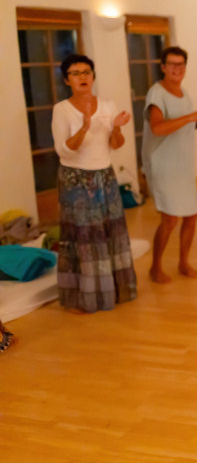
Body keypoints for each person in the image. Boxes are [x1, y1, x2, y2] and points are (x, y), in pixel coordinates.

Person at [51, 54, 137, 313]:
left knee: (109, 232)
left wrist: (117, 128)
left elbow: (116, 145)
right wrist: (84, 127)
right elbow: (64, 151)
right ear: (67, 80)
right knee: (83, 236)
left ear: (93, 76)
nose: (82, 77)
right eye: (75, 73)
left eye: (86, 72)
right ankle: (83, 297)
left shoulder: (108, 105)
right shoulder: (62, 109)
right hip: (75, 179)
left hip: (105, 176)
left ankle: (113, 291)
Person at [142, 46, 197, 283]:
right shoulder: (156, 93)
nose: (176, 68)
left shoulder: (184, 93)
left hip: (182, 165)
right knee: (169, 219)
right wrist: (192, 117)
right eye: (172, 64)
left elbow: (183, 124)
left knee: (191, 216)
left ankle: (183, 263)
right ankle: (155, 268)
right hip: (162, 164)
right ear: (163, 67)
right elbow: (158, 128)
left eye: (180, 64)